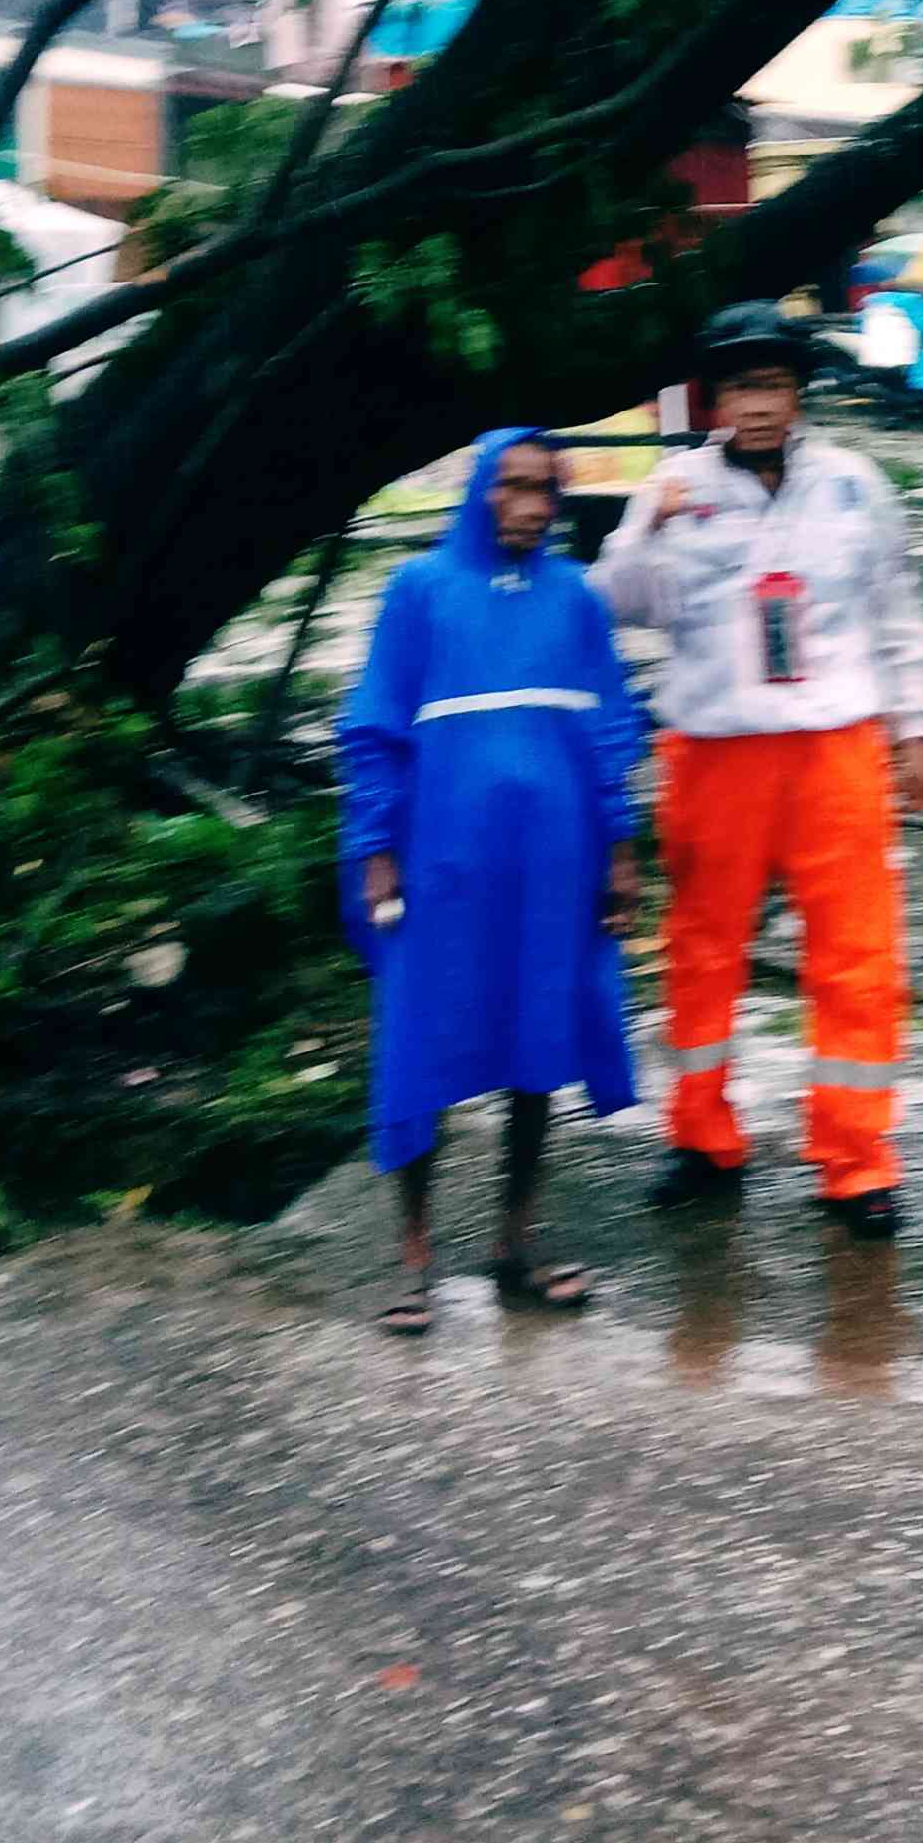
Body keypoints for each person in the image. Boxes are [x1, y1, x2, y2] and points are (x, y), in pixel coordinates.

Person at [592, 302, 923, 1237]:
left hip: (838, 749)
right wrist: (645, 534)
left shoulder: (855, 487)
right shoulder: (673, 488)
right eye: (742, 385)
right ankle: (703, 1138)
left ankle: (858, 1162)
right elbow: (617, 604)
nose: (758, 404)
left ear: (799, 390)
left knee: (860, 957)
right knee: (703, 954)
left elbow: (898, 609)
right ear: (716, 395)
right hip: (714, 754)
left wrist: (917, 728)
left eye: (775, 383)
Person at [337, 428, 646, 1335]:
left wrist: (622, 849)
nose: (530, 507)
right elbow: (374, 732)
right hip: (443, 865)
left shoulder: (575, 599)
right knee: (419, 1043)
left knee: (536, 1044)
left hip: (554, 865)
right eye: (512, 488)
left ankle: (516, 1243)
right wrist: (377, 850)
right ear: (478, 492)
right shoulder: (420, 592)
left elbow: (611, 732)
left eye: (546, 490)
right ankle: (414, 1259)